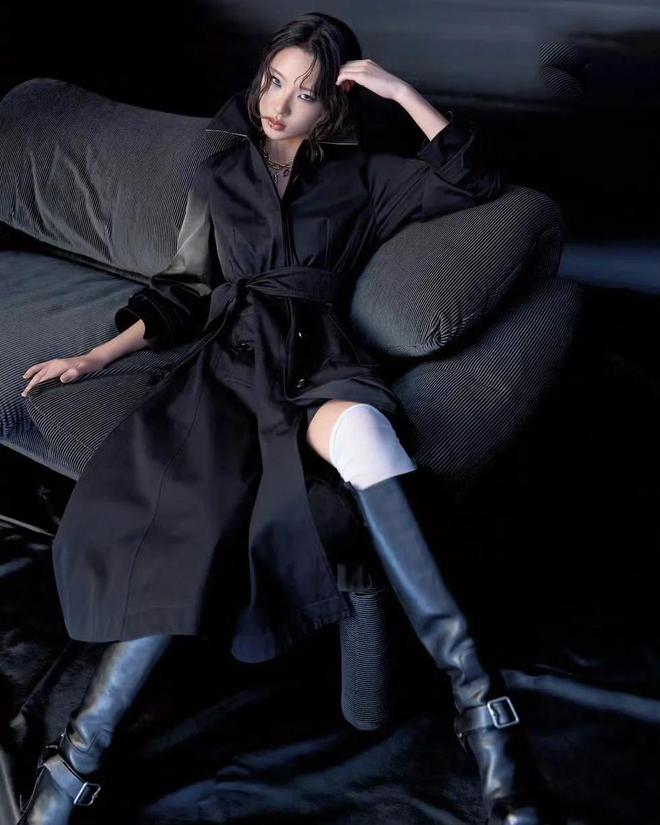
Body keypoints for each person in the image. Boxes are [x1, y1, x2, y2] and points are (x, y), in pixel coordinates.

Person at [17, 12, 564, 825]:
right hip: (230, 371)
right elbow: (186, 289)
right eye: (274, 82)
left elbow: (475, 178)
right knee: (189, 522)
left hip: (318, 360)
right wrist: (95, 358)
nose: (279, 104)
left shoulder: (366, 179)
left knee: (369, 433)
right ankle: (75, 760)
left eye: (305, 94)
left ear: (331, 106)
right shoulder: (221, 172)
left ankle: (489, 723)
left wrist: (399, 90)